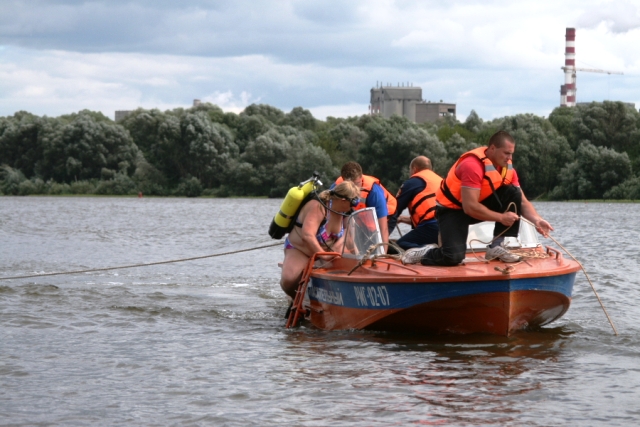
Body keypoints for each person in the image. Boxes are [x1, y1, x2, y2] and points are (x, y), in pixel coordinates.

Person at [402, 131, 553, 266]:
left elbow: (521, 201)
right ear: (492, 148)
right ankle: (423, 253)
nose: (509, 158)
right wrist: (501, 217)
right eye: (506, 153)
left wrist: (537, 221)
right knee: (453, 257)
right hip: (452, 210)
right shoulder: (472, 165)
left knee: (513, 192)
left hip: (476, 206)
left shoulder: (508, 167)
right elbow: (470, 207)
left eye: (511, 154)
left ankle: (496, 247)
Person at [280, 180, 360, 298]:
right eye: (354, 203)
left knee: (354, 270)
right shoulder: (319, 206)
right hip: (301, 250)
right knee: (289, 279)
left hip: (327, 253)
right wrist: (324, 256)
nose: (354, 207)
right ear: (343, 200)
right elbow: (307, 236)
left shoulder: (345, 213)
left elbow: (350, 237)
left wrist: (359, 258)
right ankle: (296, 299)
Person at [333, 162, 397, 247]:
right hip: (360, 216)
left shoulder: (374, 192)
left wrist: (382, 256)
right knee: (352, 240)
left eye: (357, 184)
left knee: (371, 244)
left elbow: (383, 229)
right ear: (344, 180)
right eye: (350, 185)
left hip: (387, 214)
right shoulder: (337, 187)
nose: (354, 189)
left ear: (361, 177)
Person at [388, 156, 443, 250]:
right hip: (449, 228)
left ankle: (430, 251)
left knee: (400, 245)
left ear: (414, 169)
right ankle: (434, 249)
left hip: (432, 228)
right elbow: (429, 215)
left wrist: (383, 235)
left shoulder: (412, 182)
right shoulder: (441, 181)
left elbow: (394, 210)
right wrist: (402, 219)